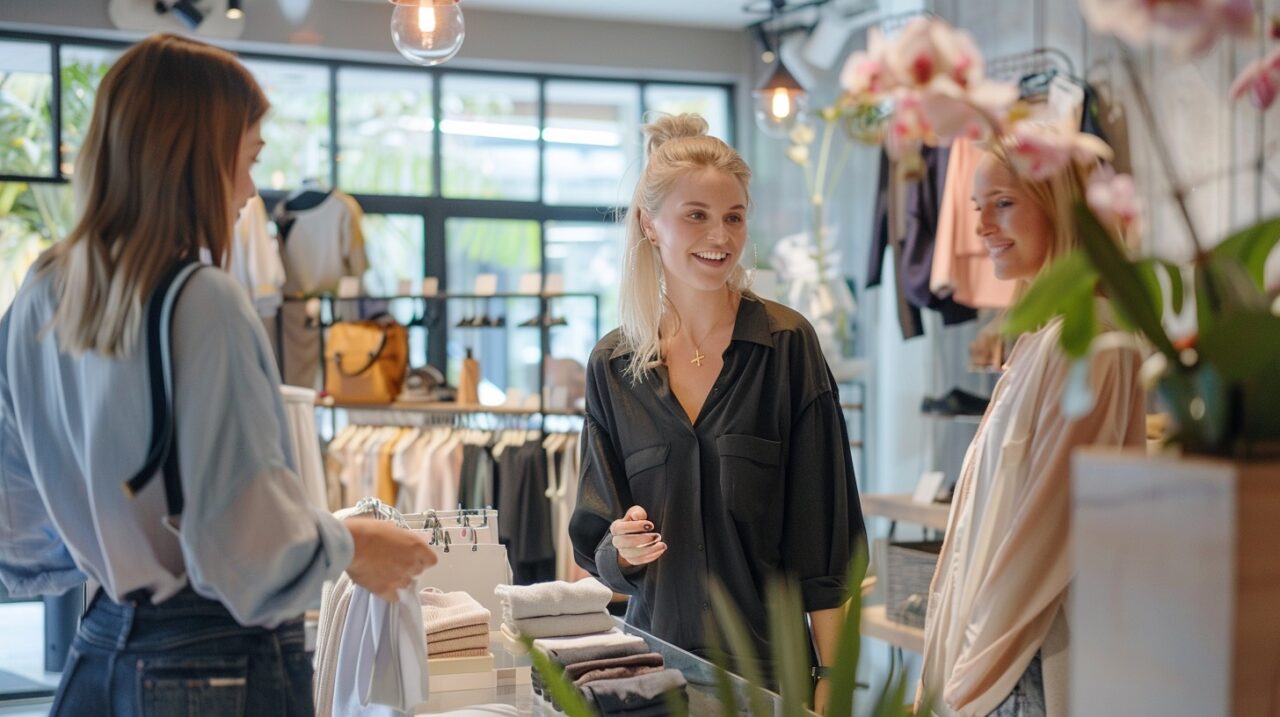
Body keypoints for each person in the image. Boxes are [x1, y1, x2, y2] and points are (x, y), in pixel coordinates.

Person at [0, 34, 435, 715]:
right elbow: (252, 554)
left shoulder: (42, 292)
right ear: (198, 152)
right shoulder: (201, 297)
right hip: (212, 666)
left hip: (97, 653)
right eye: (249, 157)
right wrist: (352, 543)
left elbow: (20, 534)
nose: (250, 191)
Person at [568, 113, 865, 712]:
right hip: (652, 672)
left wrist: (833, 684)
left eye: (734, 216)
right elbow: (595, 541)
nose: (720, 236)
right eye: (696, 215)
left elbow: (827, 547)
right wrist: (620, 548)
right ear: (650, 225)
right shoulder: (614, 364)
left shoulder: (787, 348)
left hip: (768, 681)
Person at [918, 138, 1146, 717]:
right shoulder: (1044, 341)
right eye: (978, 209)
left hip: (1024, 665)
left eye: (1002, 203)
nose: (983, 228)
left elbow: (1051, 523)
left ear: (1059, 205)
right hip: (1004, 664)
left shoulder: (1089, 340)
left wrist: (970, 672)